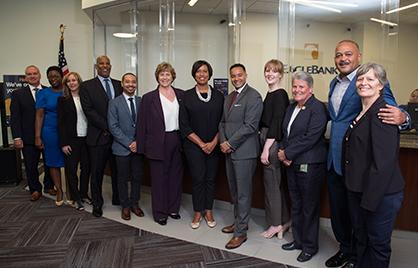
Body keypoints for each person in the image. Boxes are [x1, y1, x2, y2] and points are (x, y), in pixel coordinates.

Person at [326, 39, 410, 268]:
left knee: (365, 224)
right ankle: (346, 250)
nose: (343, 58)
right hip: (334, 160)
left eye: (348, 54)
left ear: (358, 56)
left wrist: (405, 118)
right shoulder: (335, 83)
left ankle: (356, 258)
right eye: (338, 54)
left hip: (360, 164)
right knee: (342, 214)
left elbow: (390, 111)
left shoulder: (371, 85)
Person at [343, 63, 404, 268]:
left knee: (377, 245)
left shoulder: (383, 113)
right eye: (360, 79)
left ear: (381, 85)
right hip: (361, 191)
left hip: (379, 196)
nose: (363, 83)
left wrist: (368, 203)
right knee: (362, 240)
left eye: (370, 79)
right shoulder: (363, 111)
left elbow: (383, 164)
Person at [278, 71, 327, 263]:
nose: (297, 90)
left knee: (309, 207)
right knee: (296, 204)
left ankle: (309, 246)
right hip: (291, 164)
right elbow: (286, 134)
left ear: (310, 89)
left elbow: (311, 138)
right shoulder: (292, 107)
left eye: (301, 87)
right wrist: (283, 151)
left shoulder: (318, 108)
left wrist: (287, 154)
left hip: (310, 164)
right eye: (295, 86)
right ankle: (298, 241)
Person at [219, 63, 263, 249]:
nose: (236, 78)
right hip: (228, 151)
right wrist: (223, 141)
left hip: (244, 153)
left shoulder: (254, 96)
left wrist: (230, 143)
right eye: (233, 76)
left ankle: (241, 233)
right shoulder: (229, 97)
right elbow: (222, 122)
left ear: (246, 75)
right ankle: (238, 222)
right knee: (234, 191)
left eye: (239, 75)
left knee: (243, 193)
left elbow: (250, 126)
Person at [137, 62, 184, 226]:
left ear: (173, 76)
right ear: (157, 77)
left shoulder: (181, 95)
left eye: (168, 74)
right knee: (158, 179)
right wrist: (141, 147)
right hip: (157, 142)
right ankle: (160, 212)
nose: (165, 77)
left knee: (175, 177)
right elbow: (142, 124)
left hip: (177, 140)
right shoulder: (149, 98)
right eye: (162, 74)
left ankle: (173, 209)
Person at [179, 60, 224, 229]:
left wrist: (213, 142)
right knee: (198, 179)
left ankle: (209, 210)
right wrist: (201, 144)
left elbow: (223, 122)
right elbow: (184, 124)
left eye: (205, 71)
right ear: (194, 74)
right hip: (193, 146)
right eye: (198, 71)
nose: (202, 74)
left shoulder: (219, 96)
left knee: (211, 179)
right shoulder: (186, 96)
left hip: (214, 145)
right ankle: (198, 211)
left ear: (209, 74)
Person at [80, 55, 122, 218]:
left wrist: (116, 130)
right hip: (98, 137)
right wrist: (109, 127)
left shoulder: (119, 84)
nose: (105, 66)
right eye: (101, 64)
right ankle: (97, 203)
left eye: (107, 63)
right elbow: (89, 111)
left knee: (118, 171)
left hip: (117, 138)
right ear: (96, 66)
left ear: (110, 66)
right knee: (97, 172)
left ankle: (118, 198)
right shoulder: (87, 86)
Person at [10, 65, 55, 201]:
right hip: (28, 137)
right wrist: (17, 137)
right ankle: (35, 189)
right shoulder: (18, 94)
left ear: (40, 75)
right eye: (29, 74)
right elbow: (15, 118)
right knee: (31, 165)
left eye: (35, 73)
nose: (32, 76)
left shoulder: (49, 91)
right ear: (25, 77)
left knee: (49, 163)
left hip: (48, 135)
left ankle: (49, 186)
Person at [259, 59, 291, 239]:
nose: (269, 74)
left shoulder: (279, 94)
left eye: (274, 71)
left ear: (280, 74)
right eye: (267, 71)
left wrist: (266, 149)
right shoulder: (271, 93)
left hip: (271, 141)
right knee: (275, 185)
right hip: (267, 139)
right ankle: (285, 220)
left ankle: (276, 224)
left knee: (271, 186)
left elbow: (276, 124)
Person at [108, 73, 144, 221]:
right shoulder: (114, 103)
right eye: (127, 82)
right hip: (122, 148)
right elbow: (113, 126)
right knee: (122, 178)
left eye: (133, 82)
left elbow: (144, 125)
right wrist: (129, 143)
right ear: (122, 84)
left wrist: (138, 142)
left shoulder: (141, 101)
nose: (131, 84)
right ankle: (125, 206)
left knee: (137, 177)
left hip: (139, 147)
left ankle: (135, 203)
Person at [57, 72, 90, 211]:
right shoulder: (63, 100)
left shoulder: (86, 97)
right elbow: (61, 123)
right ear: (66, 84)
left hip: (87, 139)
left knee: (86, 169)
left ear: (79, 82)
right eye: (69, 81)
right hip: (72, 140)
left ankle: (83, 194)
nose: (72, 83)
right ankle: (76, 198)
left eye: (74, 80)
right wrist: (64, 143)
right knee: (71, 171)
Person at [34, 66, 65, 206]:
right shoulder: (43, 93)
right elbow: (39, 115)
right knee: (52, 162)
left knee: (70, 163)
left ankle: (71, 190)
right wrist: (38, 136)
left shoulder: (68, 90)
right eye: (50, 77)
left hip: (68, 131)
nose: (53, 79)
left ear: (61, 76)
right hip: (50, 131)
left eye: (56, 76)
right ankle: (59, 190)